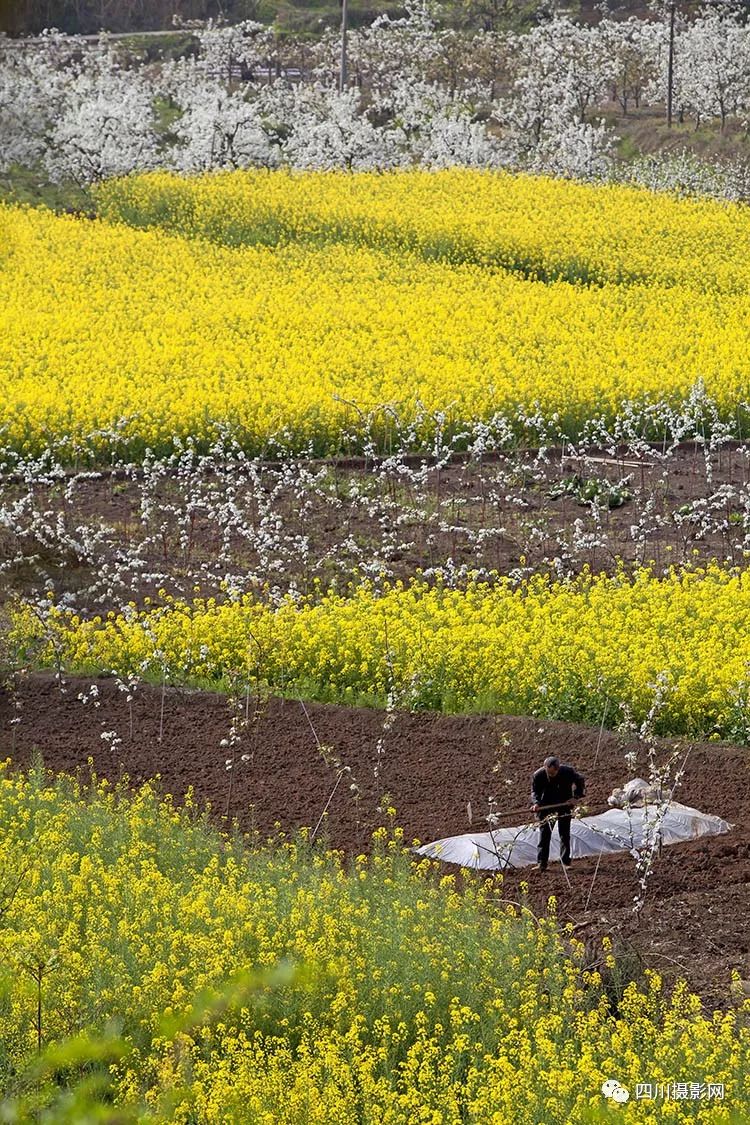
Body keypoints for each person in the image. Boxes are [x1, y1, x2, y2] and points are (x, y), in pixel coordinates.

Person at [530, 755, 585, 872]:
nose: (551, 775)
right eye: (549, 773)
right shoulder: (538, 775)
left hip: (564, 803)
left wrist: (576, 797)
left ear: (558, 768)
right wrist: (536, 803)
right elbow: (535, 792)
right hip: (546, 806)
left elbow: (580, 780)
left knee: (564, 834)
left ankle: (565, 862)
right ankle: (542, 863)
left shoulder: (567, 772)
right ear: (545, 768)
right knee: (544, 835)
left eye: (553, 773)